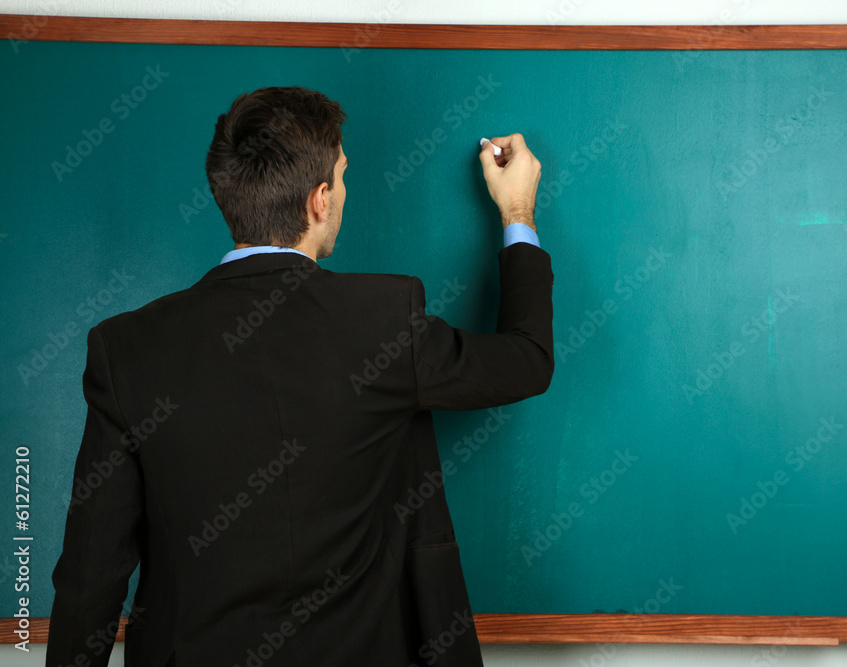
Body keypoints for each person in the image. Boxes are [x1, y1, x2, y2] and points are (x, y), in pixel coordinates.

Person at [46, 86, 554, 666]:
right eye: (341, 176)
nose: (342, 192)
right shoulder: (384, 321)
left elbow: (91, 575)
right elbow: (527, 360)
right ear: (319, 200)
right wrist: (517, 214)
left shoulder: (125, 348)